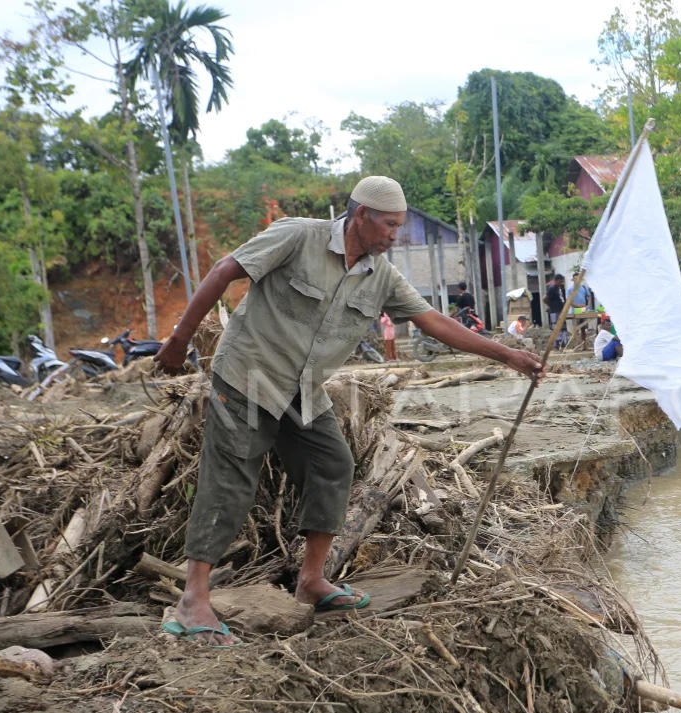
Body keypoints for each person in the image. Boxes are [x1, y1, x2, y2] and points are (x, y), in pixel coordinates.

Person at [154, 176, 543, 645]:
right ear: (360, 216)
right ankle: (193, 599)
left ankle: (311, 580)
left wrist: (508, 355)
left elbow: (433, 321)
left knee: (332, 463)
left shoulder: (381, 275)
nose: (394, 236)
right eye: (389, 225)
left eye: (399, 227)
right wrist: (178, 341)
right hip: (248, 378)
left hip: (303, 390)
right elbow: (223, 271)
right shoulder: (298, 236)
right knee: (231, 481)